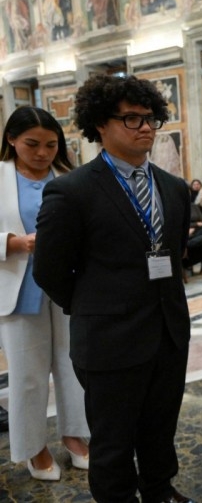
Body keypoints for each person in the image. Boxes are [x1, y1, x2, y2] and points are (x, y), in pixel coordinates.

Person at [33, 74, 196, 503]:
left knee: (160, 429)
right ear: (100, 125)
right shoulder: (71, 191)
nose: (145, 127)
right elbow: (49, 271)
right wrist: (94, 306)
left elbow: (172, 253)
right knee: (112, 443)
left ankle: (159, 490)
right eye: (131, 119)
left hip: (168, 332)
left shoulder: (174, 188)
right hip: (109, 340)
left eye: (150, 118)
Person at [0, 106, 90, 481]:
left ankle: (75, 434)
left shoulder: (70, 176)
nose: (42, 153)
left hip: (69, 286)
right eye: (32, 144)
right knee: (27, 374)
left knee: (73, 365)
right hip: (20, 288)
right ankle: (34, 447)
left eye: (51, 145)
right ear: (11, 140)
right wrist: (14, 243)